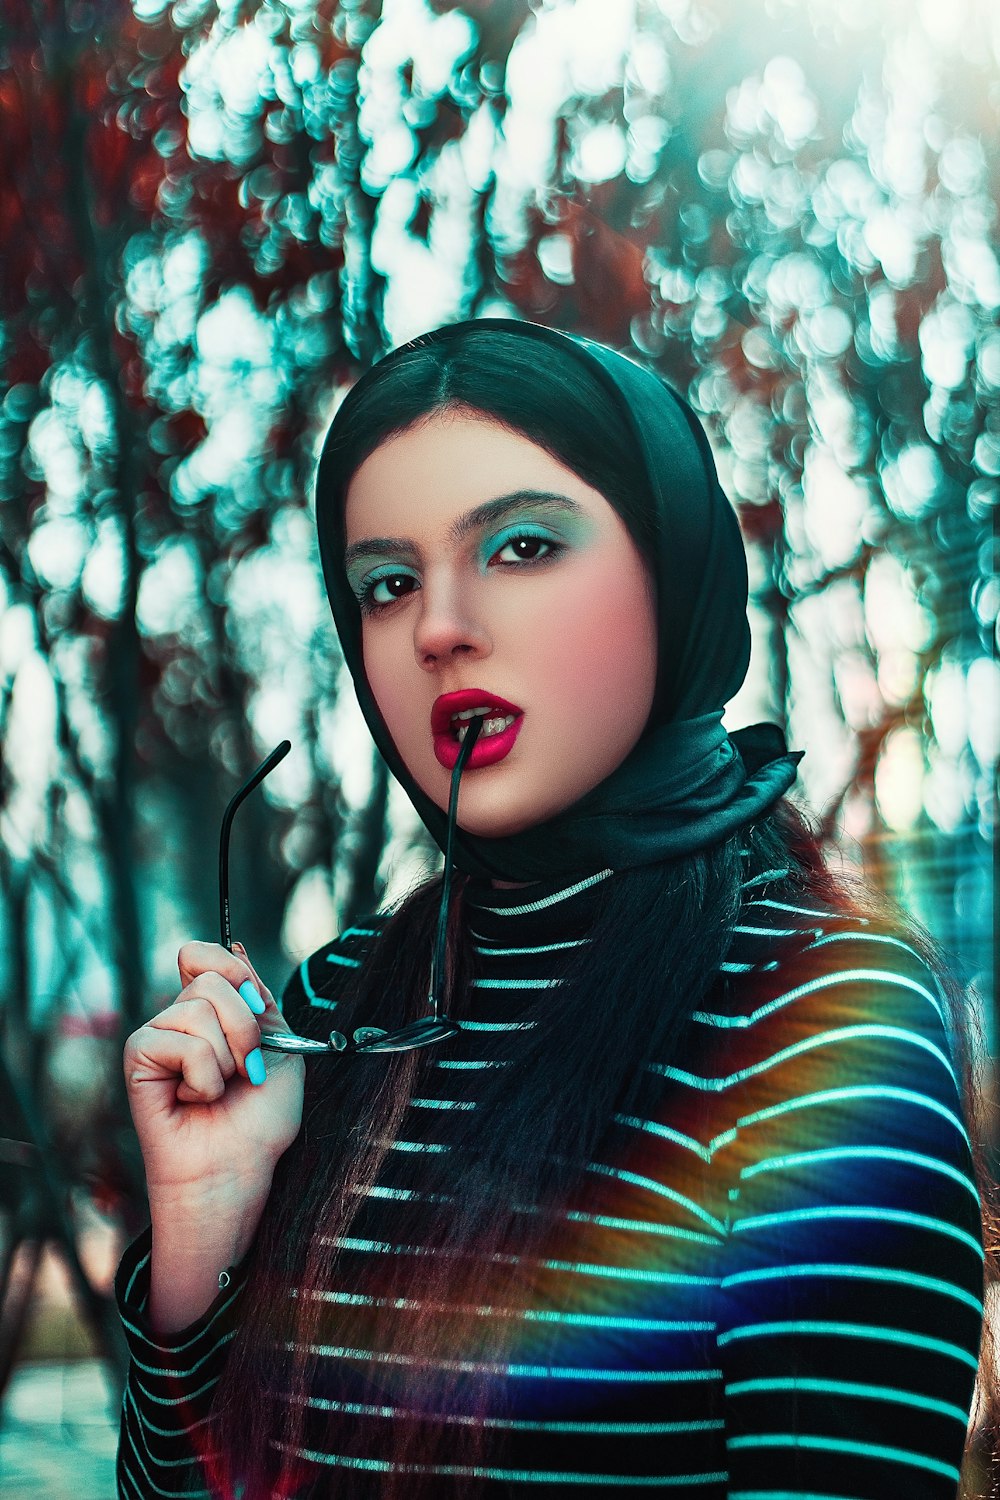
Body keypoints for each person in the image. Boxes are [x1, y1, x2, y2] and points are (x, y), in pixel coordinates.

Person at [116, 318, 994, 1500]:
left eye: (522, 546)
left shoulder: (820, 1024)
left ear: (672, 567)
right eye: (386, 583)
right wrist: (201, 1244)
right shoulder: (326, 1015)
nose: (438, 627)